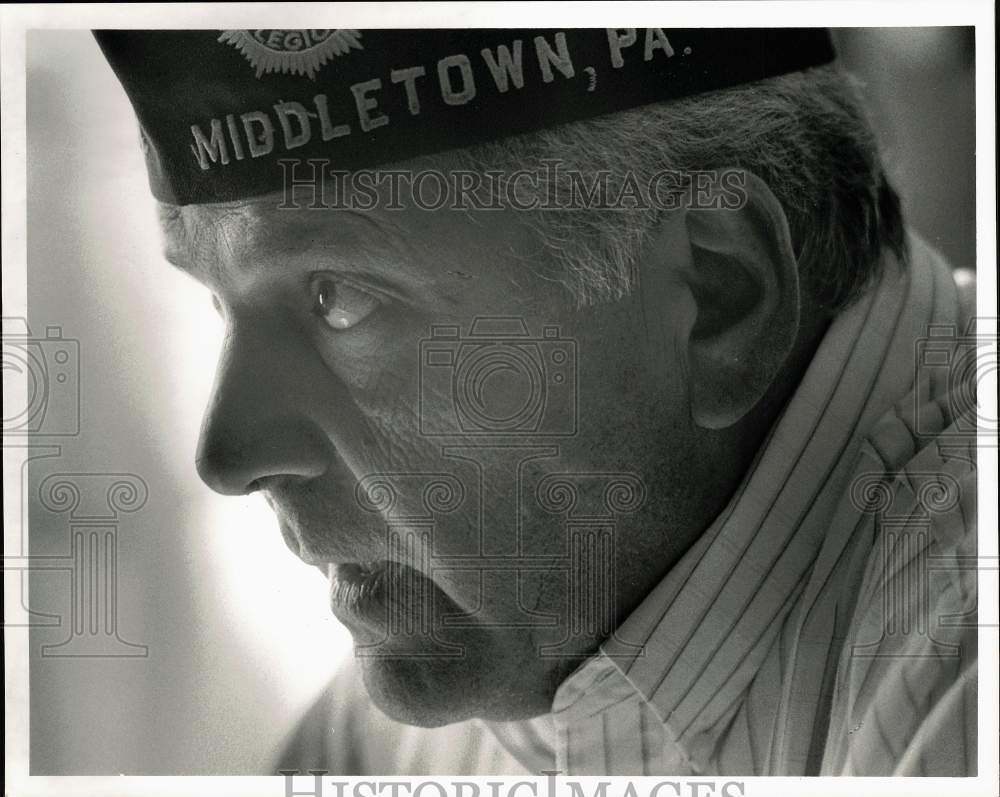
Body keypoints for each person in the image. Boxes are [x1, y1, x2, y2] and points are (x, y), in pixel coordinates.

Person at [94, 27, 977, 776]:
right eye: (218, 300)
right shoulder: (484, 647)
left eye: (338, 297)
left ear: (716, 297)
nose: (226, 455)